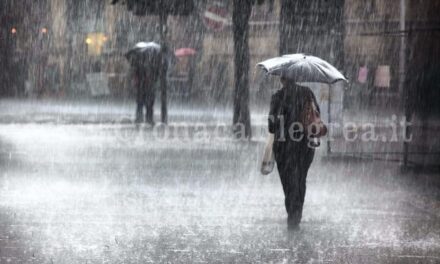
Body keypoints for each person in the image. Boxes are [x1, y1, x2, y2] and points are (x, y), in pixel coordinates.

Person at [268, 75, 325, 230]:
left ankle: (292, 215)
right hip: (304, 145)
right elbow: (316, 114)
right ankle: (297, 213)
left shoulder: (278, 97)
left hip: (284, 147)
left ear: (282, 79)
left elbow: (272, 127)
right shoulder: (307, 93)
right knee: (300, 179)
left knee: (289, 183)